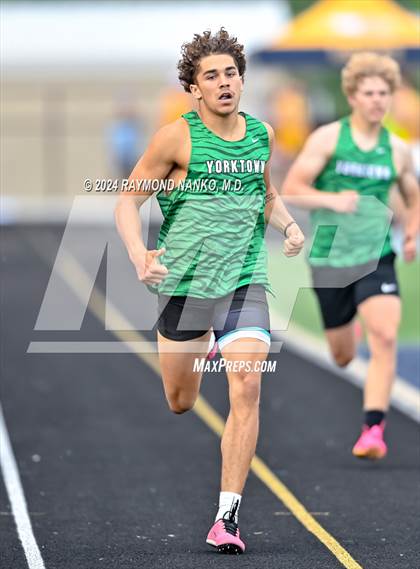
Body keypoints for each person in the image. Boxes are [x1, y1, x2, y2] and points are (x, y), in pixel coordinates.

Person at [115, 28, 304, 554]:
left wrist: (286, 226)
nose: (224, 83)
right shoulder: (176, 137)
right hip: (186, 284)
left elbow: (263, 194)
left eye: (231, 73)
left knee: (246, 385)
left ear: (242, 79)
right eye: (211, 76)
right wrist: (138, 255)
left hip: (245, 277)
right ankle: (204, 347)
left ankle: (227, 517)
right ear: (194, 89)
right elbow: (126, 201)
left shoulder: (261, 133)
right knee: (181, 400)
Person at [282, 53, 419, 460]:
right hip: (330, 258)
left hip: (377, 255)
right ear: (352, 97)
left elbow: (412, 194)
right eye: (369, 93)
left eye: (383, 93)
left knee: (386, 335)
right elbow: (291, 188)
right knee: (342, 355)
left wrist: (411, 232)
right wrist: (332, 199)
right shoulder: (328, 139)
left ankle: (373, 429)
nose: (377, 100)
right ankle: (347, 330)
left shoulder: (396, 149)